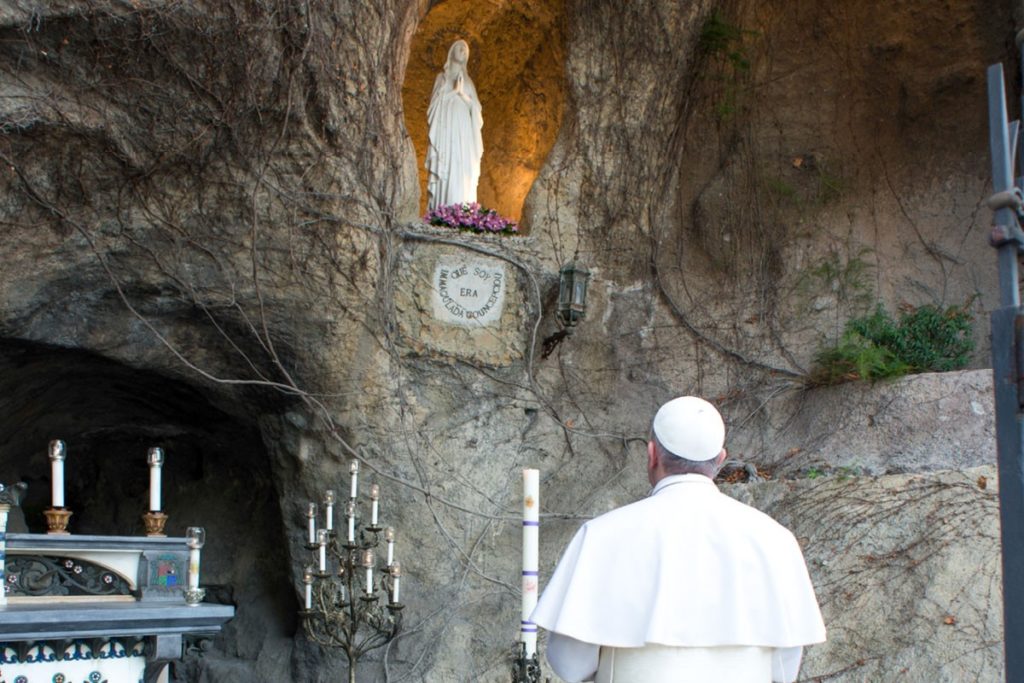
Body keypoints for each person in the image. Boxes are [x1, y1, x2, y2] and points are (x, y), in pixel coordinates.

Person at [530, 396, 826, 683]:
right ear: (721, 460)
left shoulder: (602, 534)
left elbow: (570, 665)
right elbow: (783, 670)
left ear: (652, 454)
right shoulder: (775, 539)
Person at [426, 39, 483, 210]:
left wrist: (463, 95)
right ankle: (444, 211)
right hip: (446, 130)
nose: (463, 51)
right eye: (459, 48)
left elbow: (477, 110)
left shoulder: (469, 82)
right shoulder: (442, 78)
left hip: (464, 132)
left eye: (465, 49)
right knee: (448, 163)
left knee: (462, 165)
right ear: (451, 52)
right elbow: (433, 107)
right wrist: (453, 92)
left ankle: (463, 213)